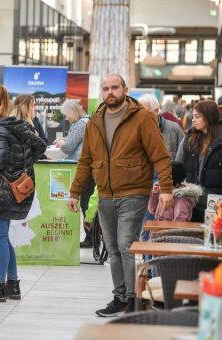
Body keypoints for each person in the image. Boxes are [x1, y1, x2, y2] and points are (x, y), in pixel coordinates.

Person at [67, 73, 173, 316]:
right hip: (105, 194)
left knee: (126, 245)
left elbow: (160, 155)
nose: (110, 92)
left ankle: (133, 298)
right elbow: (85, 161)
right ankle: (120, 297)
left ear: (125, 90)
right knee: (112, 248)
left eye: (115, 87)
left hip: (133, 192)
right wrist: (74, 192)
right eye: (105, 89)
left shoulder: (142, 118)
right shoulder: (95, 121)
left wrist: (166, 188)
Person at [0, 85, 46, 302]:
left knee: (1, 238)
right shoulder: (19, 126)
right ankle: (13, 285)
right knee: (5, 238)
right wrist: (20, 169)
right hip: (14, 191)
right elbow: (40, 147)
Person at [54, 99, 95, 248]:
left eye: (66, 115)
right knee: (88, 201)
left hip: (81, 167)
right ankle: (92, 236)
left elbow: (69, 148)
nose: (66, 118)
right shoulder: (88, 121)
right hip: (91, 168)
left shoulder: (79, 124)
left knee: (84, 202)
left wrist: (61, 143)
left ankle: (90, 237)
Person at [175, 99, 222, 222]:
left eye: (197, 116)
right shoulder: (189, 138)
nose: (193, 120)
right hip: (191, 202)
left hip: (216, 204)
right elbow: (178, 165)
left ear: (208, 117)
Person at [139, 94, 184, 160]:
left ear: (156, 111)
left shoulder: (175, 129)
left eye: (144, 112)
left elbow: (185, 158)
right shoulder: (135, 132)